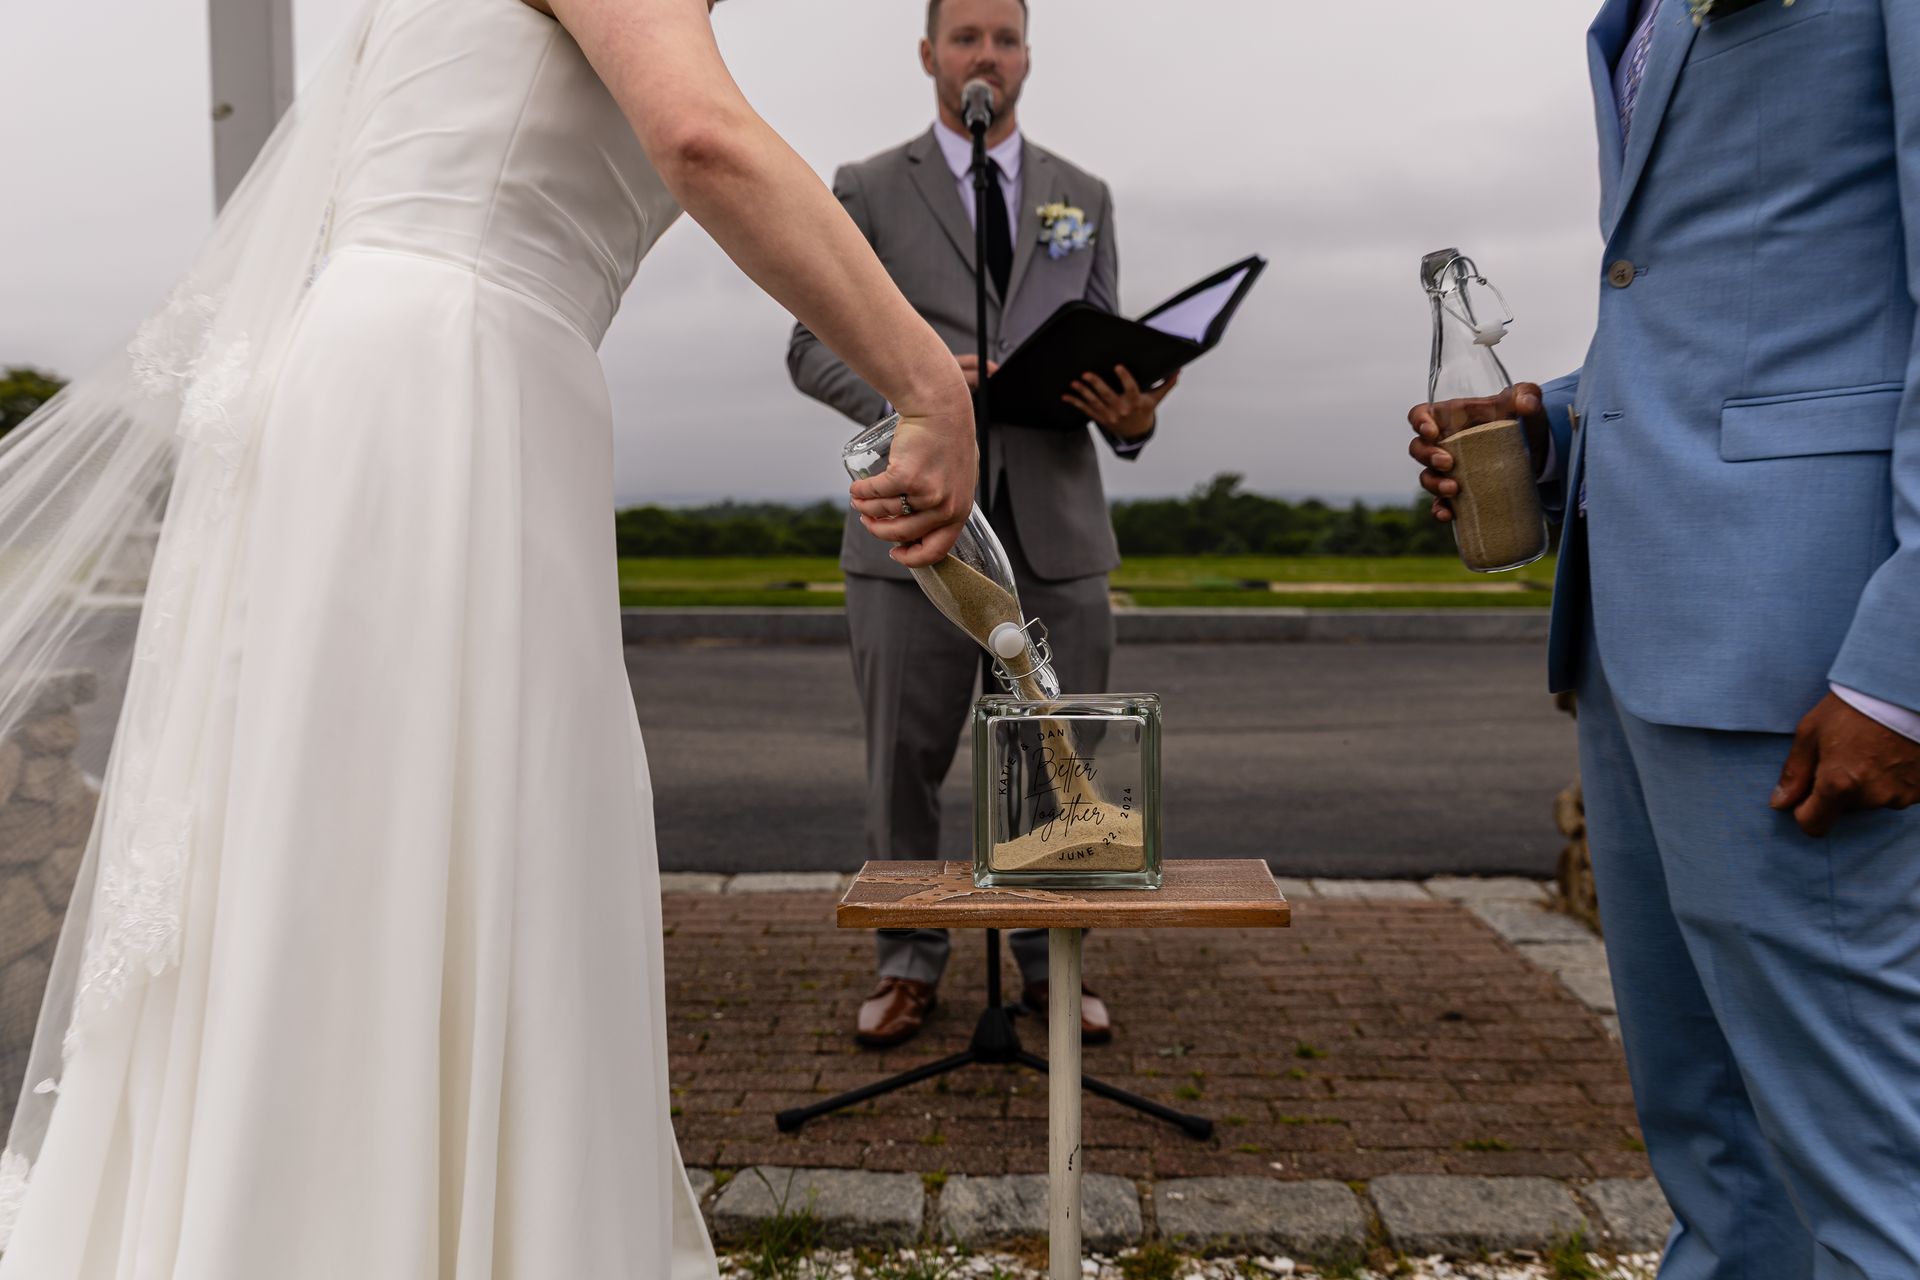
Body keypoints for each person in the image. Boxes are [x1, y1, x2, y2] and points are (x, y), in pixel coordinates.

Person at [0, 0, 976, 1274]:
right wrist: (927, 384)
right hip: (448, 389)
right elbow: (702, 137)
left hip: (411, 379)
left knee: (360, 831)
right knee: (412, 826)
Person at [1407, 1, 1920, 1272]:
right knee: (1715, 1147)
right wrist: (1556, 423)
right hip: (1636, 634)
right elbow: (1715, 303)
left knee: (1870, 1169)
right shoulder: (1625, 19)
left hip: (1807, 646)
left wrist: (1903, 671)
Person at [790, 0, 1177, 1051]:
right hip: (912, 529)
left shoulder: (1083, 196)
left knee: (1069, 760)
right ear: (930, 54)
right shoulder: (867, 187)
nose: (986, 56)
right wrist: (917, 389)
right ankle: (908, 959)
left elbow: (1107, 346)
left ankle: (1054, 961)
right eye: (967, 37)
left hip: (1057, 527)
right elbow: (808, 344)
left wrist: (1134, 416)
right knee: (904, 758)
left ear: (1028, 59)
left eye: (1005, 39)